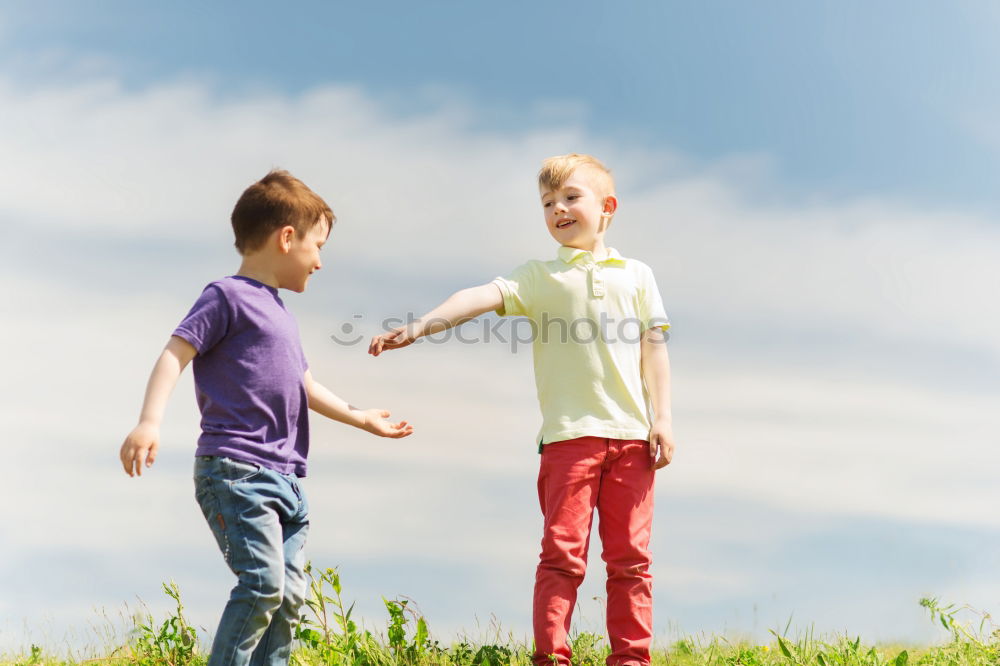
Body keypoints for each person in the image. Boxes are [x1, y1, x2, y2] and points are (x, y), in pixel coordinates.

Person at [369, 153, 673, 665]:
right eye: (548, 203)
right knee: (561, 557)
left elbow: (654, 349)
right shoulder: (539, 276)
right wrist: (421, 325)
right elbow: (479, 297)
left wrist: (662, 418)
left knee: (630, 561)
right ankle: (551, 657)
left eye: (571, 198)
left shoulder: (638, 276)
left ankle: (631, 659)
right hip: (567, 439)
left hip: (631, 439)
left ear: (607, 207)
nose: (558, 209)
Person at [119, 169, 413, 666]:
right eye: (318, 247)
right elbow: (175, 353)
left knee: (290, 597)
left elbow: (307, 387)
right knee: (262, 586)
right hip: (237, 471)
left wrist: (361, 417)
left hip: (289, 478)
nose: (320, 262)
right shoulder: (225, 297)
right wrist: (150, 421)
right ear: (287, 238)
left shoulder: (281, 314)